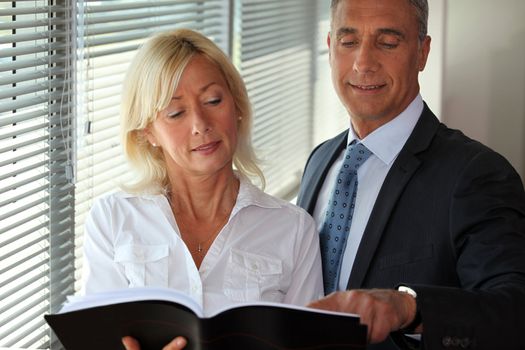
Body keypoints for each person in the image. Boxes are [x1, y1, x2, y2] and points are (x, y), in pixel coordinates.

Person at [297, 0, 525, 349]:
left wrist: (409, 308)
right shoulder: (320, 160)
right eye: (348, 42)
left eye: (387, 43)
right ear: (330, 48)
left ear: (422, 52)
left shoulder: (476, 174)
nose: (363, 63)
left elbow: (514, 312)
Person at [79, 29, 323, 350]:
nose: (200, 124)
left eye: (212, 100)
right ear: (148, 132)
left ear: (236, 105)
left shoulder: (293, 229)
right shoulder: (112, 219)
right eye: (176, 112)